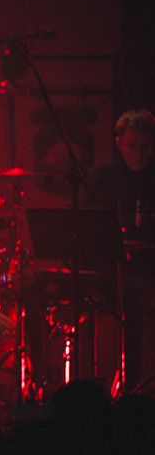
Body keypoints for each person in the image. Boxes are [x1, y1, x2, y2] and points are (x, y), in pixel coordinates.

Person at [84, 108, 155, 392]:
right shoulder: (101, 178)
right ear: (118, 144)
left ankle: (134, 383)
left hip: (147, 267)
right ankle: (91, 379)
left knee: (134, 296)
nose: (139, 154)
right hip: (107, 269)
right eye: (132, 146)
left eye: (145, 147)